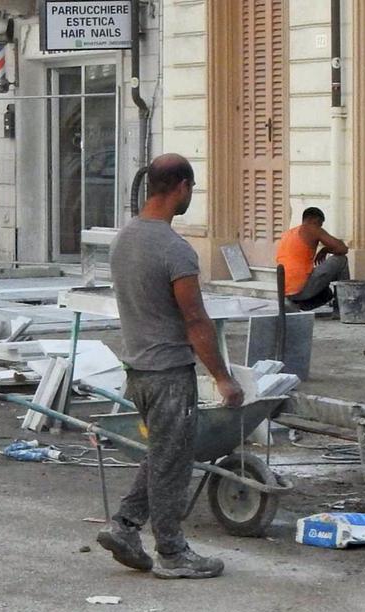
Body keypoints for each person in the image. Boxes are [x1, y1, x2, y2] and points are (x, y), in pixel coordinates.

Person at [97, 153, 243, 580]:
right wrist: (223, 377)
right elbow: (195, 319)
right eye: (191, 189)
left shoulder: (124, 238)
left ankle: (124, 527)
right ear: (180, 186)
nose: (190, 196)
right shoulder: (174, 249)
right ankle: (172, 553)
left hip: (137, 370)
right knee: (173, 464)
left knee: (163, 454)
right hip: (168, 374)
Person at [275, 206, 350, 311]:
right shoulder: (311, 228)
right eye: (319, 223)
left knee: (327, 294)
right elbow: (343, 249)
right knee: (341, 260)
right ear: (312, 220)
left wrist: (324, 250)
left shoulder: (288, 234)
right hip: (302, 288)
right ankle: (345, 307)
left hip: (285, 291)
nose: (320, 227)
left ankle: (296, 304)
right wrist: (326, 250)